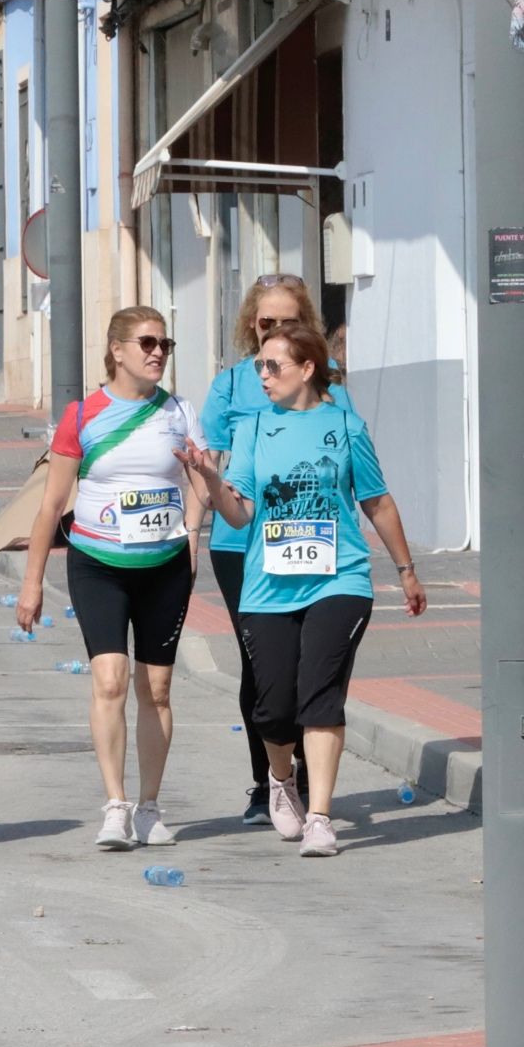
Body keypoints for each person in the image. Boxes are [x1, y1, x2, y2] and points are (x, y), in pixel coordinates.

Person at [180, 323, 426, 857]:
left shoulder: (345, 424)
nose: (262, 377)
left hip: (340, 578)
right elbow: (240, 512)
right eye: (259, 367)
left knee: (320, 696)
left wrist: (405, 569)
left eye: (274, 366)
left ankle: (320, 817)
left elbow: (377, 503)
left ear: (308, 369)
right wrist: (208, 481)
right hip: (268, 587)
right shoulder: (254, 430)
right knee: (273, 709)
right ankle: (281, 780)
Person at [16, 306, 208, 851]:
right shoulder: (82, 415)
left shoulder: (179, 412)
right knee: (109, 680)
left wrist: (191, 533)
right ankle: (115, 805)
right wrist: (32, 583)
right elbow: (51, 504)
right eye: (147, 342)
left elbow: (201, 481)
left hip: (164, 565)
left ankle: (150, 806)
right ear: (116, 350)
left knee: (158, 688)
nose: (157, 353)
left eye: (164, 345)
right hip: (98, 564)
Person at [199, 275, 357, 825]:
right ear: (252, 324)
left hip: (314, 542)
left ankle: (312, 786)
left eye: (289, 323)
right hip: (240, 543)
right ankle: (266, 784)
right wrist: (191, 534)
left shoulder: (330, 387)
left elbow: (344, 456)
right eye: (267, 323)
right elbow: (214, 467)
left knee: (314, 667)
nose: (276, 331)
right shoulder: (231, 384)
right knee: (262, 667)